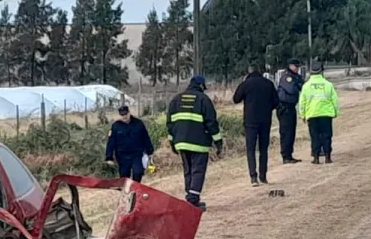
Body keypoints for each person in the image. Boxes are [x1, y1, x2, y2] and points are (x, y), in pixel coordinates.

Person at [167, 75, 222, 211]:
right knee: (198, 170)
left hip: (181, 142)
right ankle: (192, 201)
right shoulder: (203, 99)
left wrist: (172, 142)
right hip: (199, 143)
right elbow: (211, 123)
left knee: (188, 171)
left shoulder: (176, 99)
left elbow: (170, 123)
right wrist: (218, 142)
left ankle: (191, 197)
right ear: (201, 85)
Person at [233, 65, 279, 186]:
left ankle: (253, 177)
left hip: (250, 120)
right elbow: (276, 102)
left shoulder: (246, 84)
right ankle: (263, 176)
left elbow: (236, 99)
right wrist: (268, 108)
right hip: (265, 119)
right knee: (263, 148)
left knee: (251, 149)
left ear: (248, 73)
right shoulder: (268, 83)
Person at [298, 60, 339, 165]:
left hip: (312, 114)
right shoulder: (328, 85)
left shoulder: (306, 86)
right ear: (321, 71)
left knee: (315, 136)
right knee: (326, 135)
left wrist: (302, 115)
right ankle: (328, 157)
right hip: (326, 114)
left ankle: (316, 158)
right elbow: (335, 100)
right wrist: (335, 112)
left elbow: (302, 102)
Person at [105, 105, 154, 182]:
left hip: (136, 155)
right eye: (122, 115)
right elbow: (111, 142)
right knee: (124, 177)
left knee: (138, 172)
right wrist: (109, 157)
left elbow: (145, 138)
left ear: (129, 113)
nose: (124, 116)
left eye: (125, 114)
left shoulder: (138, 124)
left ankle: (135, 187)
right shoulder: (115, 126)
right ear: (119, 115)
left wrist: (150, 152)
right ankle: (127, 189)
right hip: (122, 156)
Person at [276, 58, 304, 164]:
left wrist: (297, 84)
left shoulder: (295, 76)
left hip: (291, 107)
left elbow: (303, 86)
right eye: (296, 66)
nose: (297, 68)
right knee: (286, 132)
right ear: (290, 66)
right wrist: (297, 84)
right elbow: (291, 89)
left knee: (291, 132)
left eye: (298, 66)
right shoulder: (286, 76)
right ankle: (286, 156)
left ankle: (289, 155)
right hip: (284, 108)